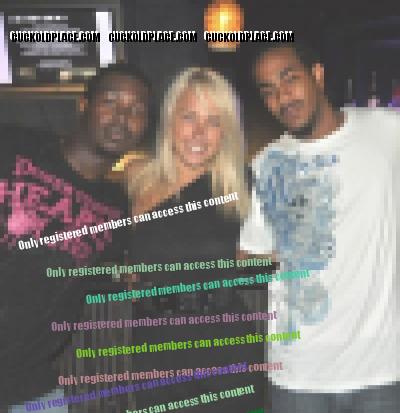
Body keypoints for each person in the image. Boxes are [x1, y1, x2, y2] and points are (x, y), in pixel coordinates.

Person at [240, 42, 400, 412]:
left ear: (317, 75)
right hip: (298, 372)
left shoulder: (387, 131)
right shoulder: (266, 164)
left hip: (380, 366)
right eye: (268, 91)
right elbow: (251, 255)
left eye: (290, 79)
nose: (282, 97)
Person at [0, 63, 150, 410]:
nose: (122, 117)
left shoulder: (118, 209)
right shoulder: (13, 145)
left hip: (28, 380)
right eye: (110, 101)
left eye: (136, 110)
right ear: (84, 105)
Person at [126, 67, 265, 412]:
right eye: (189, 117)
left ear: (226, 131)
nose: (199, 133)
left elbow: (274, 249)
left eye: (214, 121)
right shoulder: (136, 178)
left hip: (224, 347)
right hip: (154, 344)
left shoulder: (241, 184)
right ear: (169, 120)